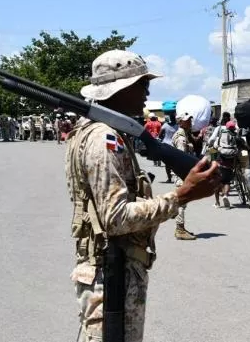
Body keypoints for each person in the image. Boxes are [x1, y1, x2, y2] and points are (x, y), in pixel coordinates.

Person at [67, 49, 221, 342]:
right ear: (120, 89)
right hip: (111, 274)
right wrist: (181, 195)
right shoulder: (103, 138)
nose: (147, 91)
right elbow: (116, 218)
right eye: (141, 83)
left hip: (116, 268)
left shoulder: (101, 131)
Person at [171, 112, 199, 241]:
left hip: (182, 173)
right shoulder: (181, 138)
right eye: (187, 121)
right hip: (182, 174)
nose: (189, 123)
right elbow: (181, 158)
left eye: (190, 120)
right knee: (181, 202)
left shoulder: (185, 135)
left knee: (183, 202)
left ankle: (181, 227)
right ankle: (179, 229)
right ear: (180, 122)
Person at [158, 114, 178, 181]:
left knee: (167, 163)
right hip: (175, 145)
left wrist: (164, 137)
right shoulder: (178, 126)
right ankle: (177, 176)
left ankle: (169, 178)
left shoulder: (165, 125)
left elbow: (160, 135)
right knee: (176, 162)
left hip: (166, 145)